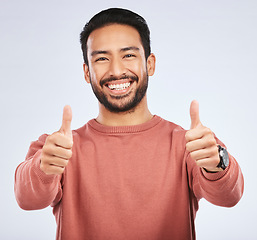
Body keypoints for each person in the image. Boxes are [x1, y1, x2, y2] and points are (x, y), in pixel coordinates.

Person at [14, 8, 244, 240]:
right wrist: (43, 168)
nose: (116, 71)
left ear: (150, 64)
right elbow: (26, 199)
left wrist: (217, 164)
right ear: (87, 72)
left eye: (128, 55)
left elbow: (229, 196)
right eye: (102, 58)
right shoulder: (59, 149)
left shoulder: (190, 144)